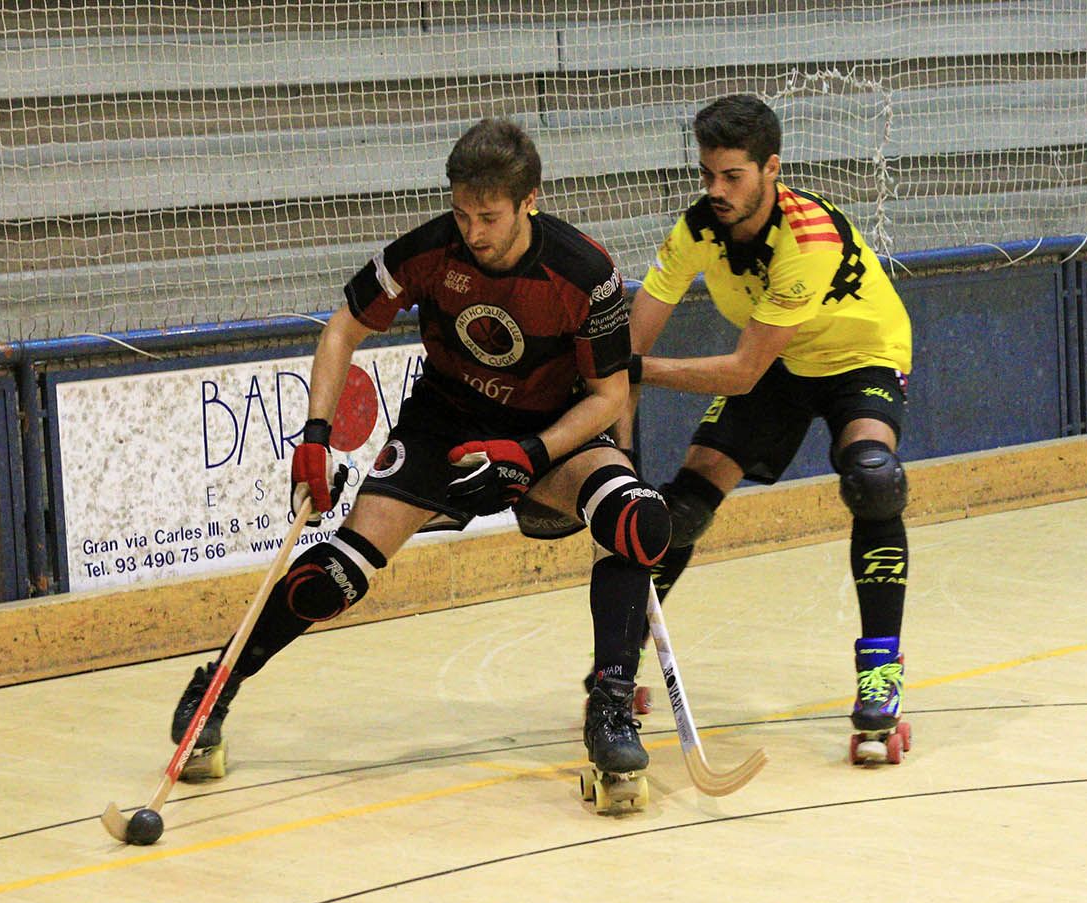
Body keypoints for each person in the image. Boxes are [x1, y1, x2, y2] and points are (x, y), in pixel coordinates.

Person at [169, 117, 672, 802]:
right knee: (332, 578)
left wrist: (529, 452)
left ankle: (609, 707)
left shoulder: (585, 274)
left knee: (640, 522)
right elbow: (346, 323)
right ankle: (217, 684)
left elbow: (610, 396)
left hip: (553, 435)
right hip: (448, 427)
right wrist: (315, 432)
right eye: (462, 214)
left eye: (488, 216)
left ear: (531, 200)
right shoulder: (430, 251)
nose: (474, 231)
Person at [626, 93, 914, 763]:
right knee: (682, 509)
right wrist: (616, 427)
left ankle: (880, 675)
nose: (717, 191)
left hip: (857, 353)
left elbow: (739, 370)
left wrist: (639, 371)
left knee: (873, 479)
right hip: (780, 359)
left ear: (771, 168)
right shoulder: (696, 228)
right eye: (707, 174)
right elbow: (634, 339)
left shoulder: (804, 238)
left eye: (733, 176)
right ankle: (617, 660)